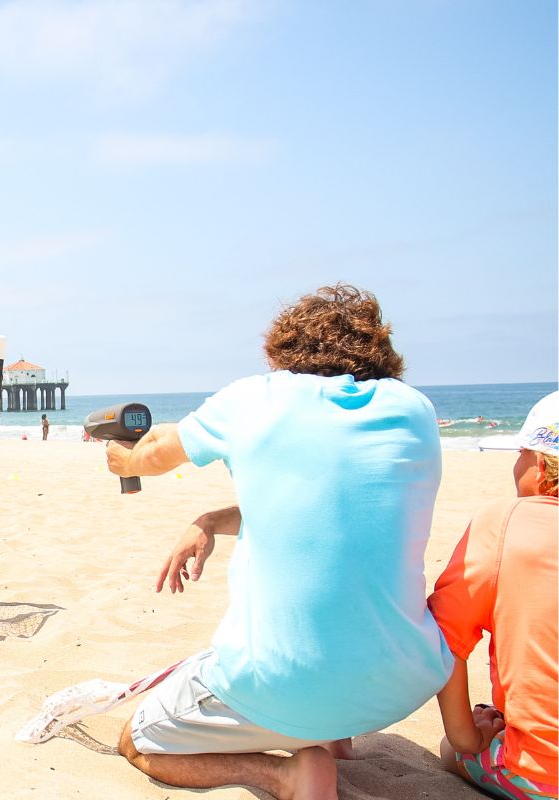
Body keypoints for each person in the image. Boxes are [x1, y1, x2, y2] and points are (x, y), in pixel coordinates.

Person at [103, 284, 453, 800]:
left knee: (138, 741)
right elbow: (324, 510)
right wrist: (210, 519)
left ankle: (285, 776)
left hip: (286, 686)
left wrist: (126, 461)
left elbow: (156, 450)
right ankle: (333, 739)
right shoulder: (415, 411)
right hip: (404, 683)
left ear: (282, 353)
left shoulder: (255, 398)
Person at [427, 391, 558, 799]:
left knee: (450, 752)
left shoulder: (505, 522)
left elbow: (444, 634)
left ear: (539, 465)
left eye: (519, 453)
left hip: (544, 775)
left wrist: (465, 737)